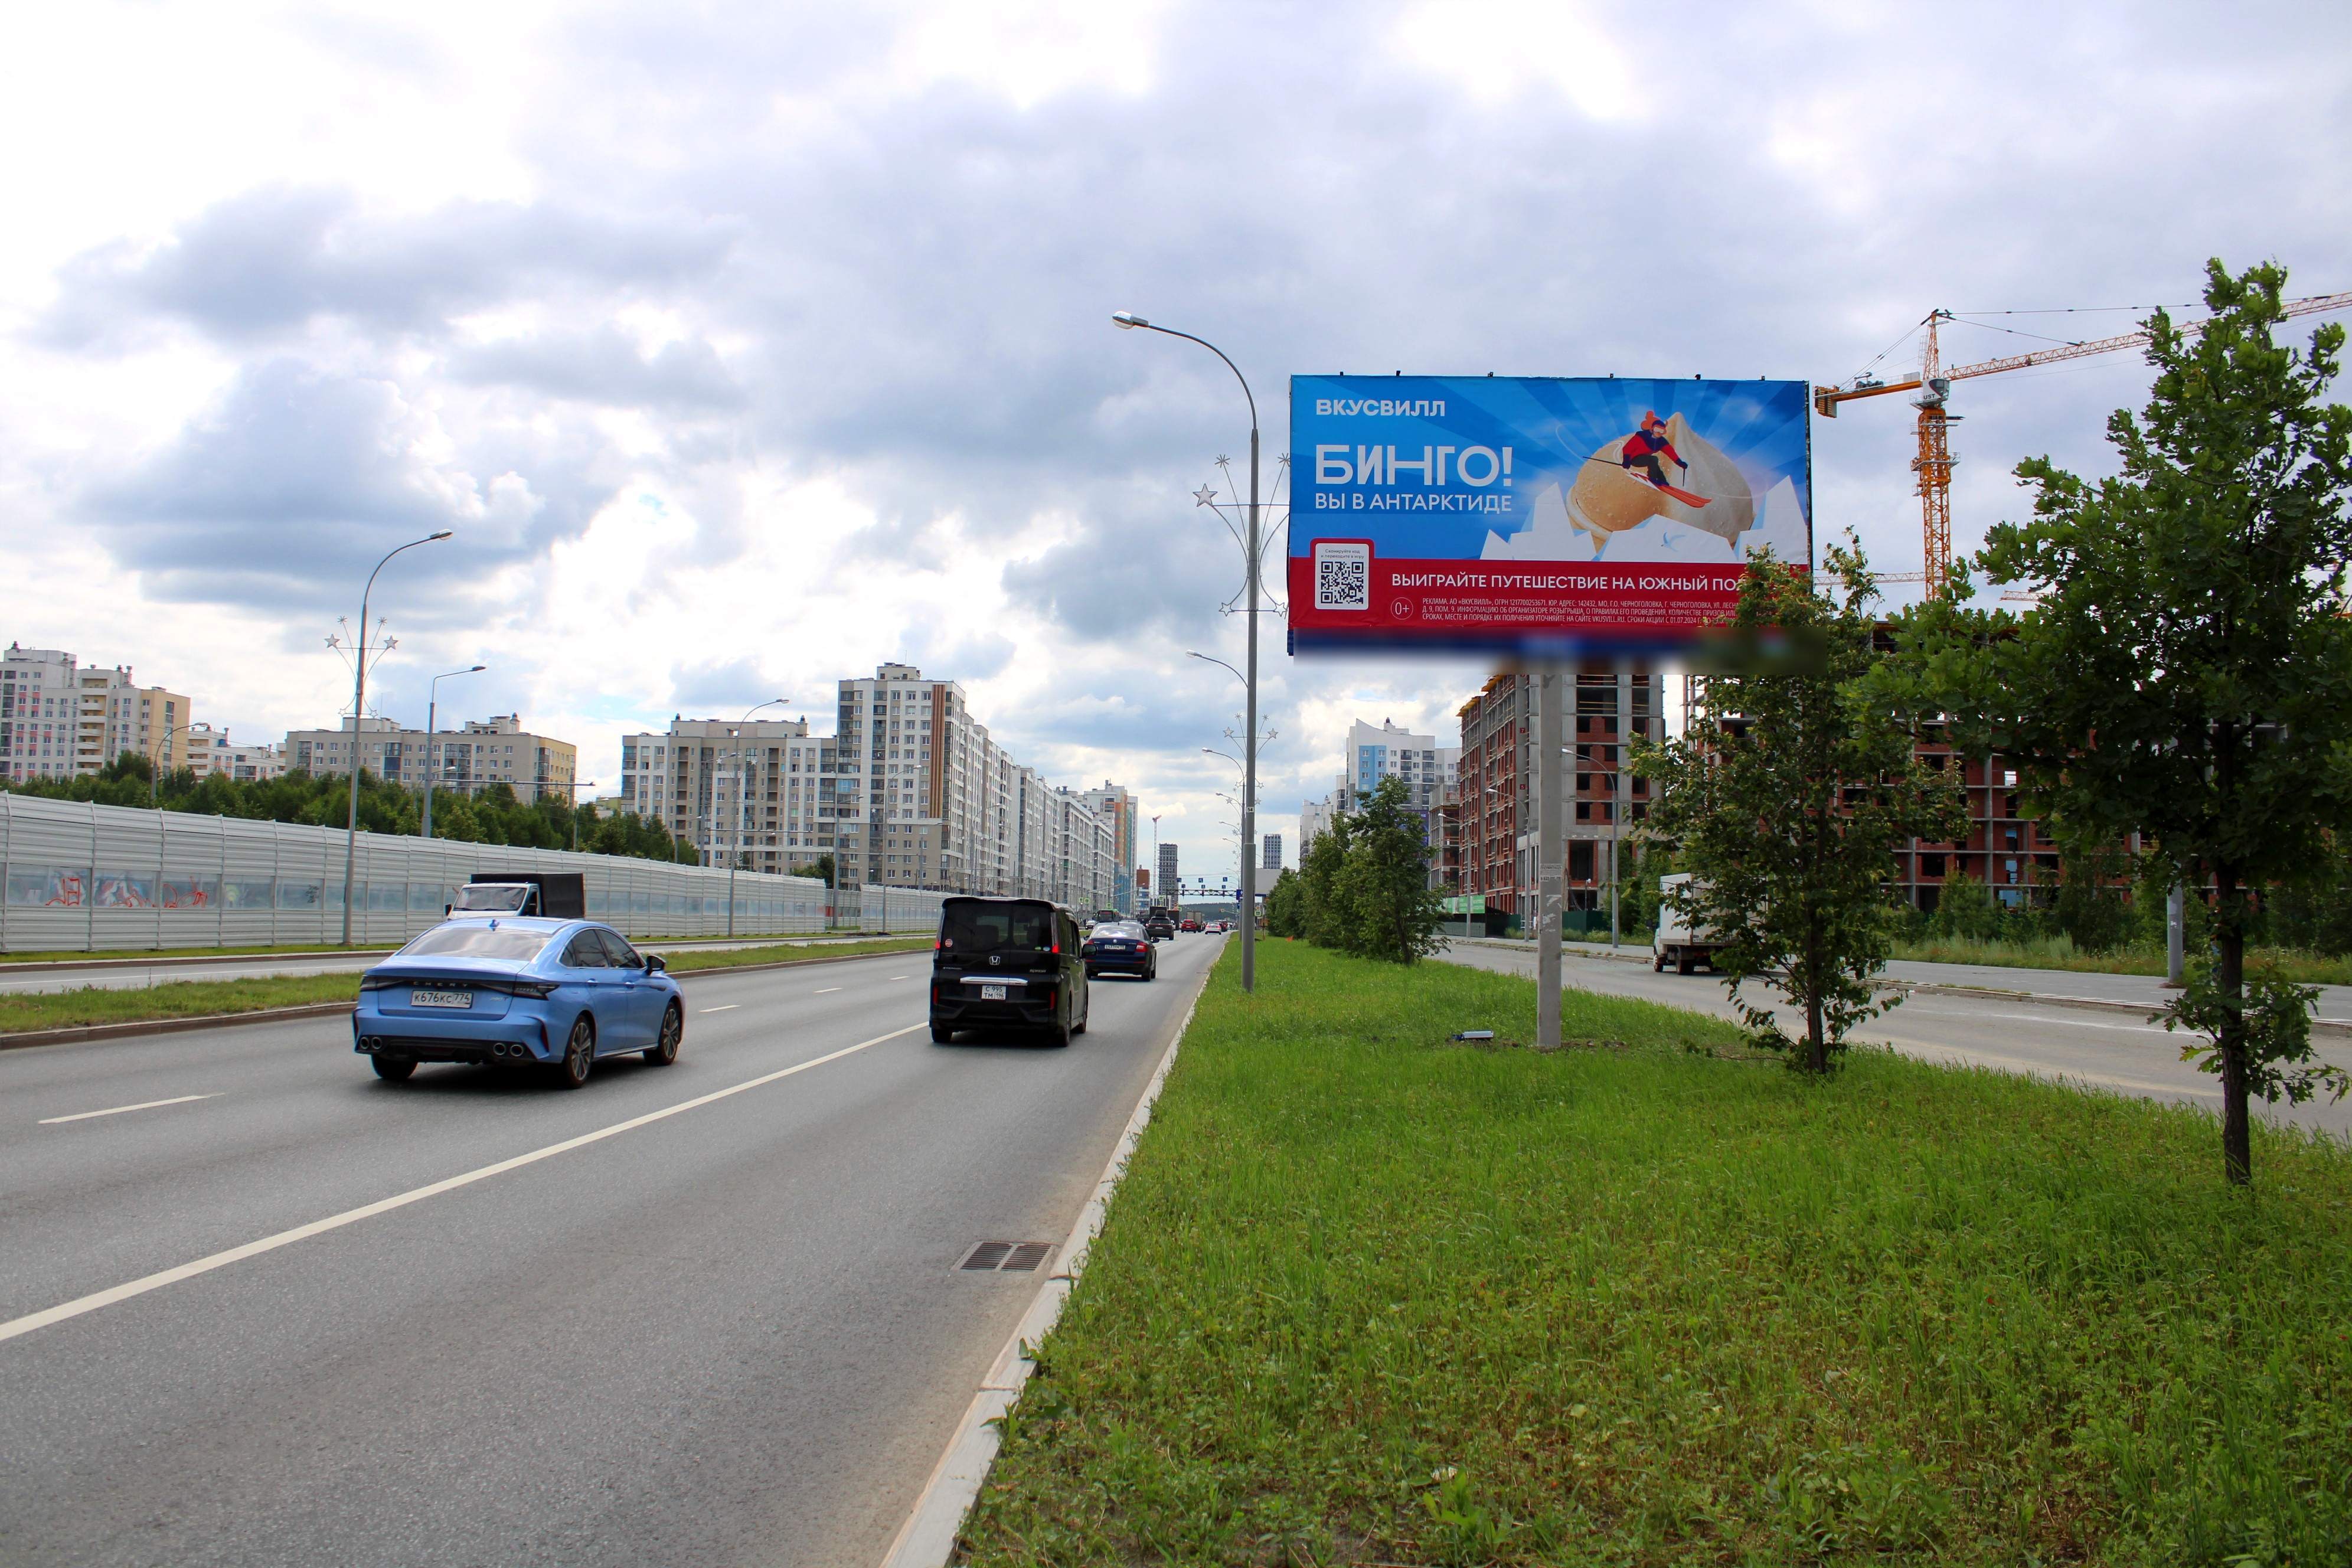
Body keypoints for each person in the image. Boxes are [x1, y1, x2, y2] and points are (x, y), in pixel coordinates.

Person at [1619, 411, 1688, 491]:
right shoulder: (1642, 436)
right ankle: (1652, 479)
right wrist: (1627, 460)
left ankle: (1663, 481)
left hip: (1646, 459)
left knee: (1654, 464)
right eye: (1657, 429)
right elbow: (1628, 448)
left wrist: (1680, 463)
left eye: (1662, 431)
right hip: (1634, 459)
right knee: (1653, 459)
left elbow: (1671, 453)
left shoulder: (1661, 442)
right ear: (1652, 429)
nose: (1659, 433)